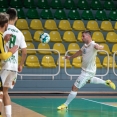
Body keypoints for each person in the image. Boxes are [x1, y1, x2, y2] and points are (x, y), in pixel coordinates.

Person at [57, 30, 116, 110]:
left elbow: (99, 46)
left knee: (74, 87)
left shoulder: (93, 45)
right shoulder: (85, 46)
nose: (82, 38)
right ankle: (106, 82)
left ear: (88, 36)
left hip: (87, 72)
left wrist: (99, 47)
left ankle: (65, 105)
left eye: (83, 36)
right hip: (88, 70)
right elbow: (79, 52)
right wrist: (70, 57)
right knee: (88, 80)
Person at [0, 8, 27, 117]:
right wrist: (21, 65)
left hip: (3, 64)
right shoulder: (20, 33)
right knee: (5, 92)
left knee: (1, 93)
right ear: (16, 18)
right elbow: (24, 52)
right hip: (14, 66)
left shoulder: (4, 29)